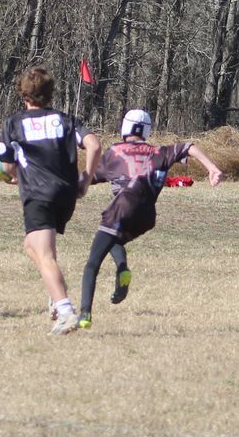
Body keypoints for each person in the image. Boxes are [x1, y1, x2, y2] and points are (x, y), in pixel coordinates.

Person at [75, 109, 226, 328]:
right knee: (114, 240)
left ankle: (84, 315)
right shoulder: (159, 152)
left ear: (125, 127)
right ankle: (122, 270)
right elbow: (189, 146)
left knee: (92, 263)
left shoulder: (115, 152)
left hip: (122, 209)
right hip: (146, 216)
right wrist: (213, 168)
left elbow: (89, 177)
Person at [0, 67, 103, 334]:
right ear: (49, 93)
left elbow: (7, 166)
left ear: (24, 95)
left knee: (43, 253)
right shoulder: (65, 120)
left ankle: (66, 311)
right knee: (32, 246)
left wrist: (12, 176)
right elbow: (94, 145)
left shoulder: (13, 123)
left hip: (38, 193)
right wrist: (86, 179)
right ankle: (56, 298)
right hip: (66, 194)